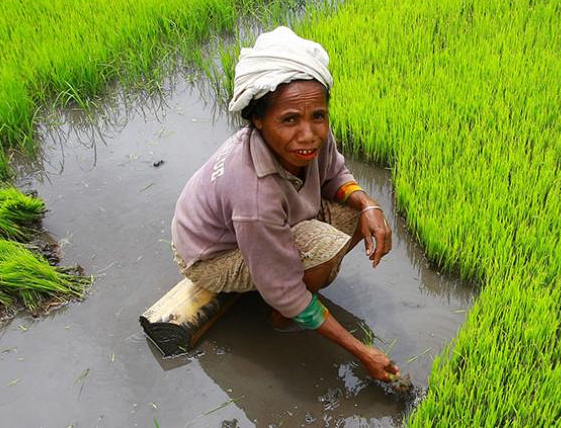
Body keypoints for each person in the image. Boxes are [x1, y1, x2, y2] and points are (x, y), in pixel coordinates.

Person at [170, 26, 400, 382]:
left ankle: (297, 281)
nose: (308, 134)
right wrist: (361, 351)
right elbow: (284, 288)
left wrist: (370, 205)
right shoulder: (254, 194)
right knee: (317, 253)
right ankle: (282, 318)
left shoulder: (310, 136)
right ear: (257, 120)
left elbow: (335, 174)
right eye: (289, 119)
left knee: (355, 213)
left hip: (263, 226)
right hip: (211, 256)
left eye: (318, 116)